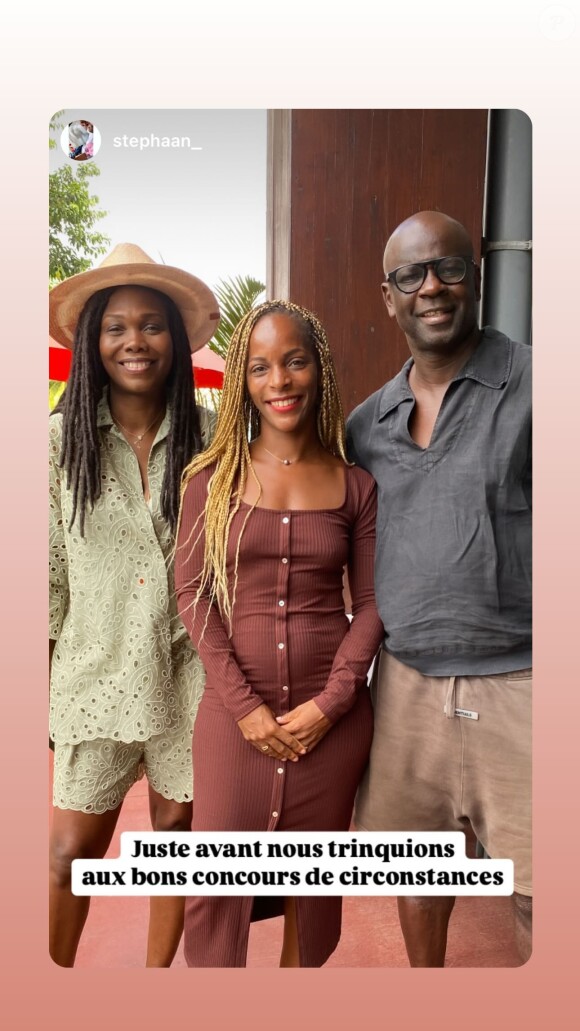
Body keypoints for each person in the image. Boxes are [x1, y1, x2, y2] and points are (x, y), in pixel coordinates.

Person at [346, 211, 532, 966]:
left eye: (448, 268)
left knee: (541, 883)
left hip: (526, 679)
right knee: (420, 873)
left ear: (476, 275)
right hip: (407, 682)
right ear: (387, 297)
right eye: (410, 276)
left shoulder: (539, 386)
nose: (432, 287)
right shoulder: (367, 424)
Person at [175, 299, 383, 967]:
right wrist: (246, 708)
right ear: (243, 381)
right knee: (214, 891)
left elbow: (376, 602)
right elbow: (193, 594)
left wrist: (333, 702)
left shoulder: (358, 486)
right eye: (260, 367)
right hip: (235, 717)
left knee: (312, 889)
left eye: (295, 361)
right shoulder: (209, 482)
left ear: (319, 369)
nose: (280, 381)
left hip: (334, 720)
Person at [48, 243, 220, 966]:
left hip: (191, 677)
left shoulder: (213, 438)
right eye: (115, 326)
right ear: (93, 342)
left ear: (174, 340)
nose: (134, 341)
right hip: (95, 675)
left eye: (150, 324)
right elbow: (46, 575)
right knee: (67, 850)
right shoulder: (60, 444)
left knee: (173, 842)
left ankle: (154, 986)